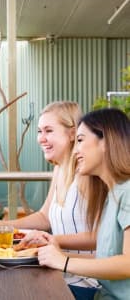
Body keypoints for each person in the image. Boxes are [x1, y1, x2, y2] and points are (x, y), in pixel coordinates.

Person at [0, 101, 97, 287]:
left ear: (72, 133)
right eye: (39, 131)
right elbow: (44, 217)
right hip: (57, 273)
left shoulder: (87, 175)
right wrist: (3, 225)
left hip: (84, 281)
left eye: (48, 131)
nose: (41, 138)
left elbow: (100, 236)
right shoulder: (59, 170)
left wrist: (52, 240)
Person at [35, 108, 130, 299]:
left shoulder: (127, 192)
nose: (75, 150)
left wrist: (64, 262)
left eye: (80, 140)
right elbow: (105, 259)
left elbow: (127, 264)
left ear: (106, 142)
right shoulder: (113, 195)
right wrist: (54, 253)